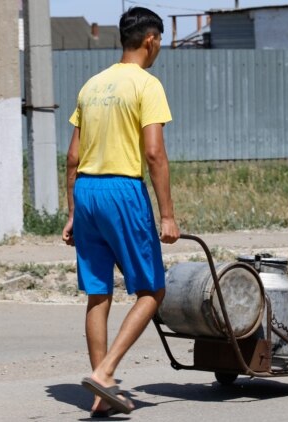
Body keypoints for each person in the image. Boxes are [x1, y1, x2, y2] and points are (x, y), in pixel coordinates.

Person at [61, 6, 180, 417]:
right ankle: (107, 372)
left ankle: (100, 395)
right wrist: (167, 214)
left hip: (87, 191)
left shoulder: (92, 85)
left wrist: (74, 211)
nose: (160, 47)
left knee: (98, 291)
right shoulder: (147, 85)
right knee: (152, 289)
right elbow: (153, 153)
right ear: (150, 40)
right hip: (122, 190)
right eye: (160, 40)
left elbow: (73, 156)